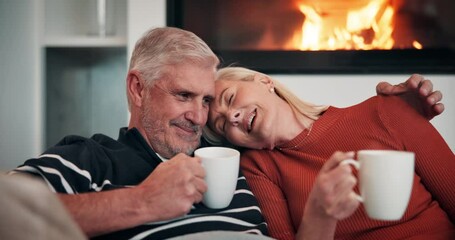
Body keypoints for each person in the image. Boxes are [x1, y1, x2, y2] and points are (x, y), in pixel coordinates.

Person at [5, 26, 446, 239]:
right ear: (138, 89)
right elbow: (7, 215)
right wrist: (141, 201)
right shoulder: (91, 159)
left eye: (210, 101)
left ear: (263, 80)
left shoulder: (233, 169)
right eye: (184, 96)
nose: (200, 117)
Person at [204, 66, 455, 240]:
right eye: (223, 126)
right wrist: (320, 214)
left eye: (230, 98)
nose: (232, 116)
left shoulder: (386, 110)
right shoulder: (258, 167)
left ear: (264, 81)